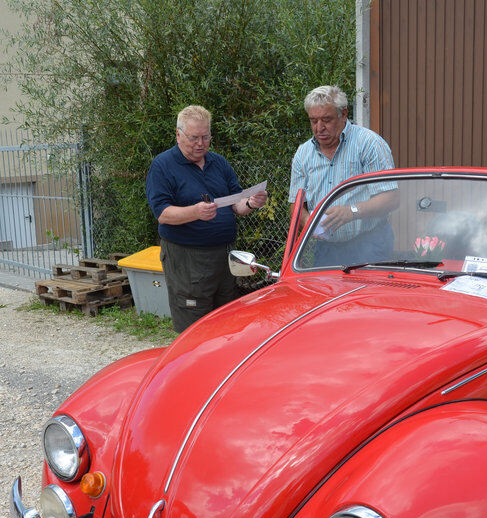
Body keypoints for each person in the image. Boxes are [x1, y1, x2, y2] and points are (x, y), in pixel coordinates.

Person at [146, 105, 267, 332]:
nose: (200, 143)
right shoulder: (162, 166)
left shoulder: (218, 163)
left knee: (226, 321)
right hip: (187, 259)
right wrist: (195, 212)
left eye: (205, 137)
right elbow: (162, 214)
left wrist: (251, 202)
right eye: (194, 138)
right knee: (194, 325)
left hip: (224, 257)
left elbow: (236, 204)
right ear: (178, 135)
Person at [288, 85, 398, 266]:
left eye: (326, 119)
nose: (319, 128)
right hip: (325, 248)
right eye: (313, 121)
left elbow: (391, 198)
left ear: (344, 114)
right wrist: (308, 221)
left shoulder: (369, 144)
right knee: (327, 295)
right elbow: (296, 205)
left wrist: (352, 212)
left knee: (368, 295)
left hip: (370, 243)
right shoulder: (303, 153)